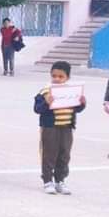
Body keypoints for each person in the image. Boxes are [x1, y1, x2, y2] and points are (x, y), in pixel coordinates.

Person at [35, 61, 86, 195]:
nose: (57, 79)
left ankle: (60, 180)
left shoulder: (72, 92)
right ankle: (47, 181)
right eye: (54, 76)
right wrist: (46, 103)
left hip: (67, 127)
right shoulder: (45, 91)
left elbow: (76, 109)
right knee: (49, 154)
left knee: (64, 154)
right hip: (50, 128)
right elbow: (37, 109)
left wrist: (82, 104)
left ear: (67, 77)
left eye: (60, 76)